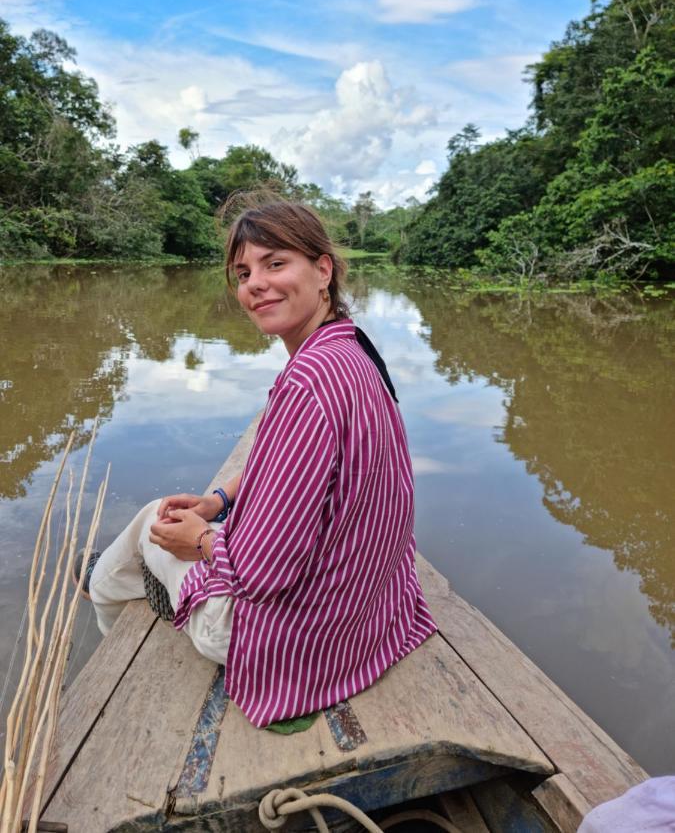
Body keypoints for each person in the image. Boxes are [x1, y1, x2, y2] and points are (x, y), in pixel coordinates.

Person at [81, 199, 437, 728]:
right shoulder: (351, 350)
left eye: (275, 264)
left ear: (323, 270)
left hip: (297, 642)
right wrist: (220, 500)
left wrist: (200, 539)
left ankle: (120, 647)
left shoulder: (307, 386)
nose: (254, 284)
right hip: (368, 612)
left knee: (148, 528)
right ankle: (144, 587)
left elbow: (262, 571)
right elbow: (299, 467)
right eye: (244, 273)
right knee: (178, 523)